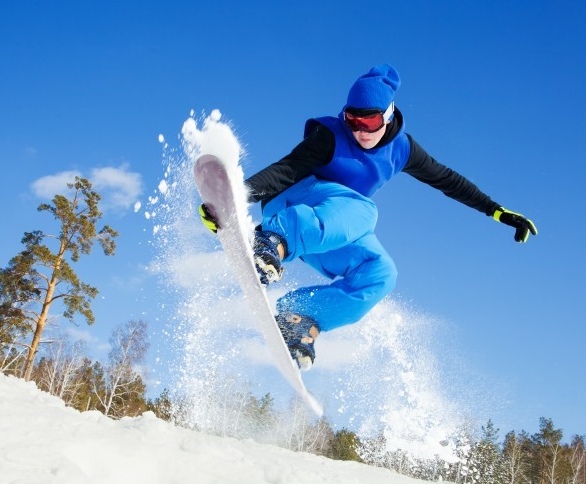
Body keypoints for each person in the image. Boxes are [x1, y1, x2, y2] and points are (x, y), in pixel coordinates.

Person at [199, 64, 537, 370]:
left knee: (381, 273)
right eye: (353, 120)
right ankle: (270, 243)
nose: (360, 131)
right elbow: (286, 170)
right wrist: (235, 197)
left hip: (330, 230)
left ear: (388, 116)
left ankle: (300, 315)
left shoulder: (403, 150)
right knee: (364, 209)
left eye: (370, 121)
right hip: (290, 210)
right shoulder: (329, 137)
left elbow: (448, 181)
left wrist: (498, 212)